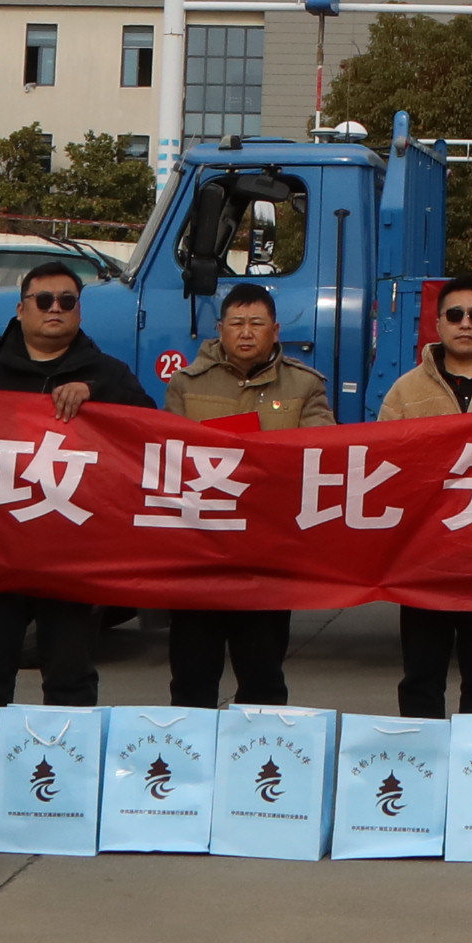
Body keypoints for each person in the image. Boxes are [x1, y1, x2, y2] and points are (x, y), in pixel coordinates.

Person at [0, 255, 151, 816]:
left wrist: (96, 399)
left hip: (72, 557)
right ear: (21, 310)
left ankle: (69, 783)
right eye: (44, 300)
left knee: (70, 676)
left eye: (67, 300)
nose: (55, 309)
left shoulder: (109, 375)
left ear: (79, 311)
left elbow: (149, 437)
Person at [161, 280, 330, 708]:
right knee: (192, 678)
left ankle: (261, 752)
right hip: (200, 552)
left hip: (267, 552)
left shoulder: (304, 385)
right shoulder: (186, 384)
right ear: (220, 330)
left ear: (276, 330)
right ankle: (190, 751)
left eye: (257, 323)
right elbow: (168, 454)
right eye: (237, 323)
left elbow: (323, 451)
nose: (247, 332)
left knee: (263, 679)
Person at [375, 274, 472, 720]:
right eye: (455, 314)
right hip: (422, 562)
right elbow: (381, 467)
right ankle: (421, 761)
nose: (466, 323)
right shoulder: (405, 392)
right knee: (421, 679)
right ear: (438, 323)